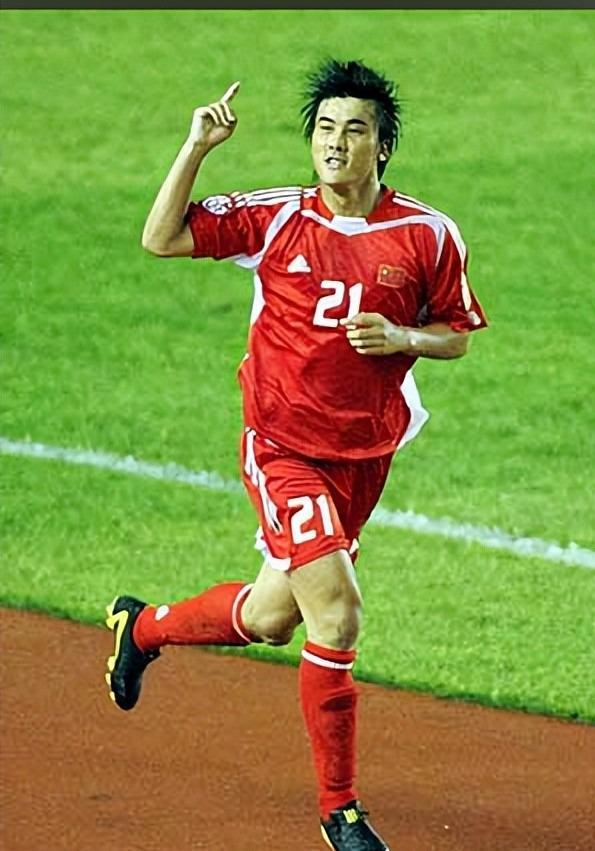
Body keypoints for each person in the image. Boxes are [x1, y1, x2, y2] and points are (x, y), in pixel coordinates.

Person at [105, 58, 487, 851]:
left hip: (365, 453)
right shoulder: (277, 218)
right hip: (283, 447)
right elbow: (160, 237)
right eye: (324, 128)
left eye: (354, 130)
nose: (335, 143)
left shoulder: (427, 234)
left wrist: (402, 336)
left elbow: (454, 333)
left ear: (383, 147)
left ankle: (142, 629)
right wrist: (196, 147)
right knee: (337, 613)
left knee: (272, 616)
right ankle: (339, 810)